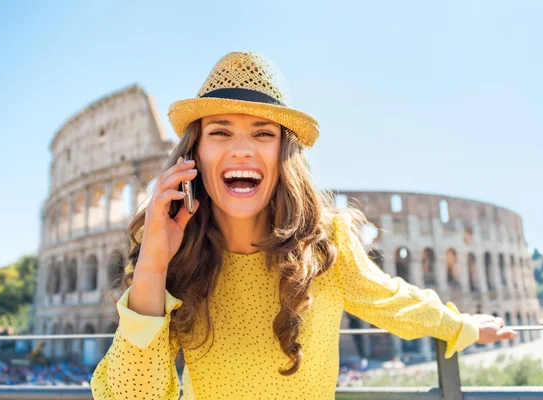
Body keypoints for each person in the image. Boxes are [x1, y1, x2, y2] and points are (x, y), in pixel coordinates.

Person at [90, 51, 517, 399]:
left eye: (263, 134)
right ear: (194, 156)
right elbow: (131, 395)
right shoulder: (176, 259)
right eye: (220, 132)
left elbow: (391, 300)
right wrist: (152, 266)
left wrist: (460, 326)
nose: (241, 150)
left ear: (283, 154)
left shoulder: (324, 244)